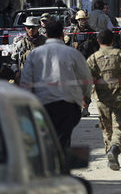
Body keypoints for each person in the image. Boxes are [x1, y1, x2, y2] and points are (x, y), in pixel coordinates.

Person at [21, 20, 92, 150]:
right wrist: (85, 97)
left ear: (46, 34)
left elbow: (26, 82)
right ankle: (62, 163)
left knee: (45, 141)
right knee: (63, 139)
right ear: (62, 33)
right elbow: (86, 78)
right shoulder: (73, 53)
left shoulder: (35, 54)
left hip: (42, 106)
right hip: (68, 106)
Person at [87, 30, 121, 171]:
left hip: (102, 99)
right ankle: (114, 151)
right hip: (120, 97)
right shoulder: (120, 55)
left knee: (107, 129)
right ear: (113, 40)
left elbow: (87, 81)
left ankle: (110, 156)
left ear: (98, 41)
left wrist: (85, 99)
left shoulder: (93, 58)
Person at [65, 10, 99, 117]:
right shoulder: (72, 32)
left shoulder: (92, 32)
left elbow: (96, 48)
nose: (83, 21)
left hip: (88, 63)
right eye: (81, 19)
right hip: (75, 64)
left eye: (85, 19)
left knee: (87, 88)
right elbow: (65, 46)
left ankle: (86, 108)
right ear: (77, 20)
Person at [11, 16, 47, 82]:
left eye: (33, 27)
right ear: (25, 28)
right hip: (25, 78)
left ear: (38, 27)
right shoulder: (20, 43)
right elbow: (13, 61)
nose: (31, 29)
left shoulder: (45, 42)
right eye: (28, 27)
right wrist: (16, 72)